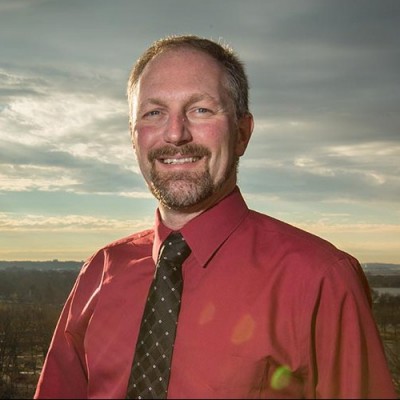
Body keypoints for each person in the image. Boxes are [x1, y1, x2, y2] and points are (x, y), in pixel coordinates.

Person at [34, 34, 396, 399]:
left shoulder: (321, 280)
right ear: (133, 137)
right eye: (154, 113)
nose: (175, 134)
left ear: (242, 132)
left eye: (201, 110)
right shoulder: (100, 270)